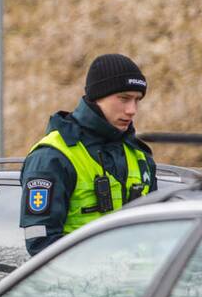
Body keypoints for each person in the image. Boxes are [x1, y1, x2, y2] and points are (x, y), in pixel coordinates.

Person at [19, 53, 156, 256]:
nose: (132, 110)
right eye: (124, 98)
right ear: (97, 97)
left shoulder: (140, 157)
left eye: (137, 100)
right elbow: (40, 244)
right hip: (78, 286)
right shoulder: (52, 157)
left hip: (144, 286)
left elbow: (158, 234)